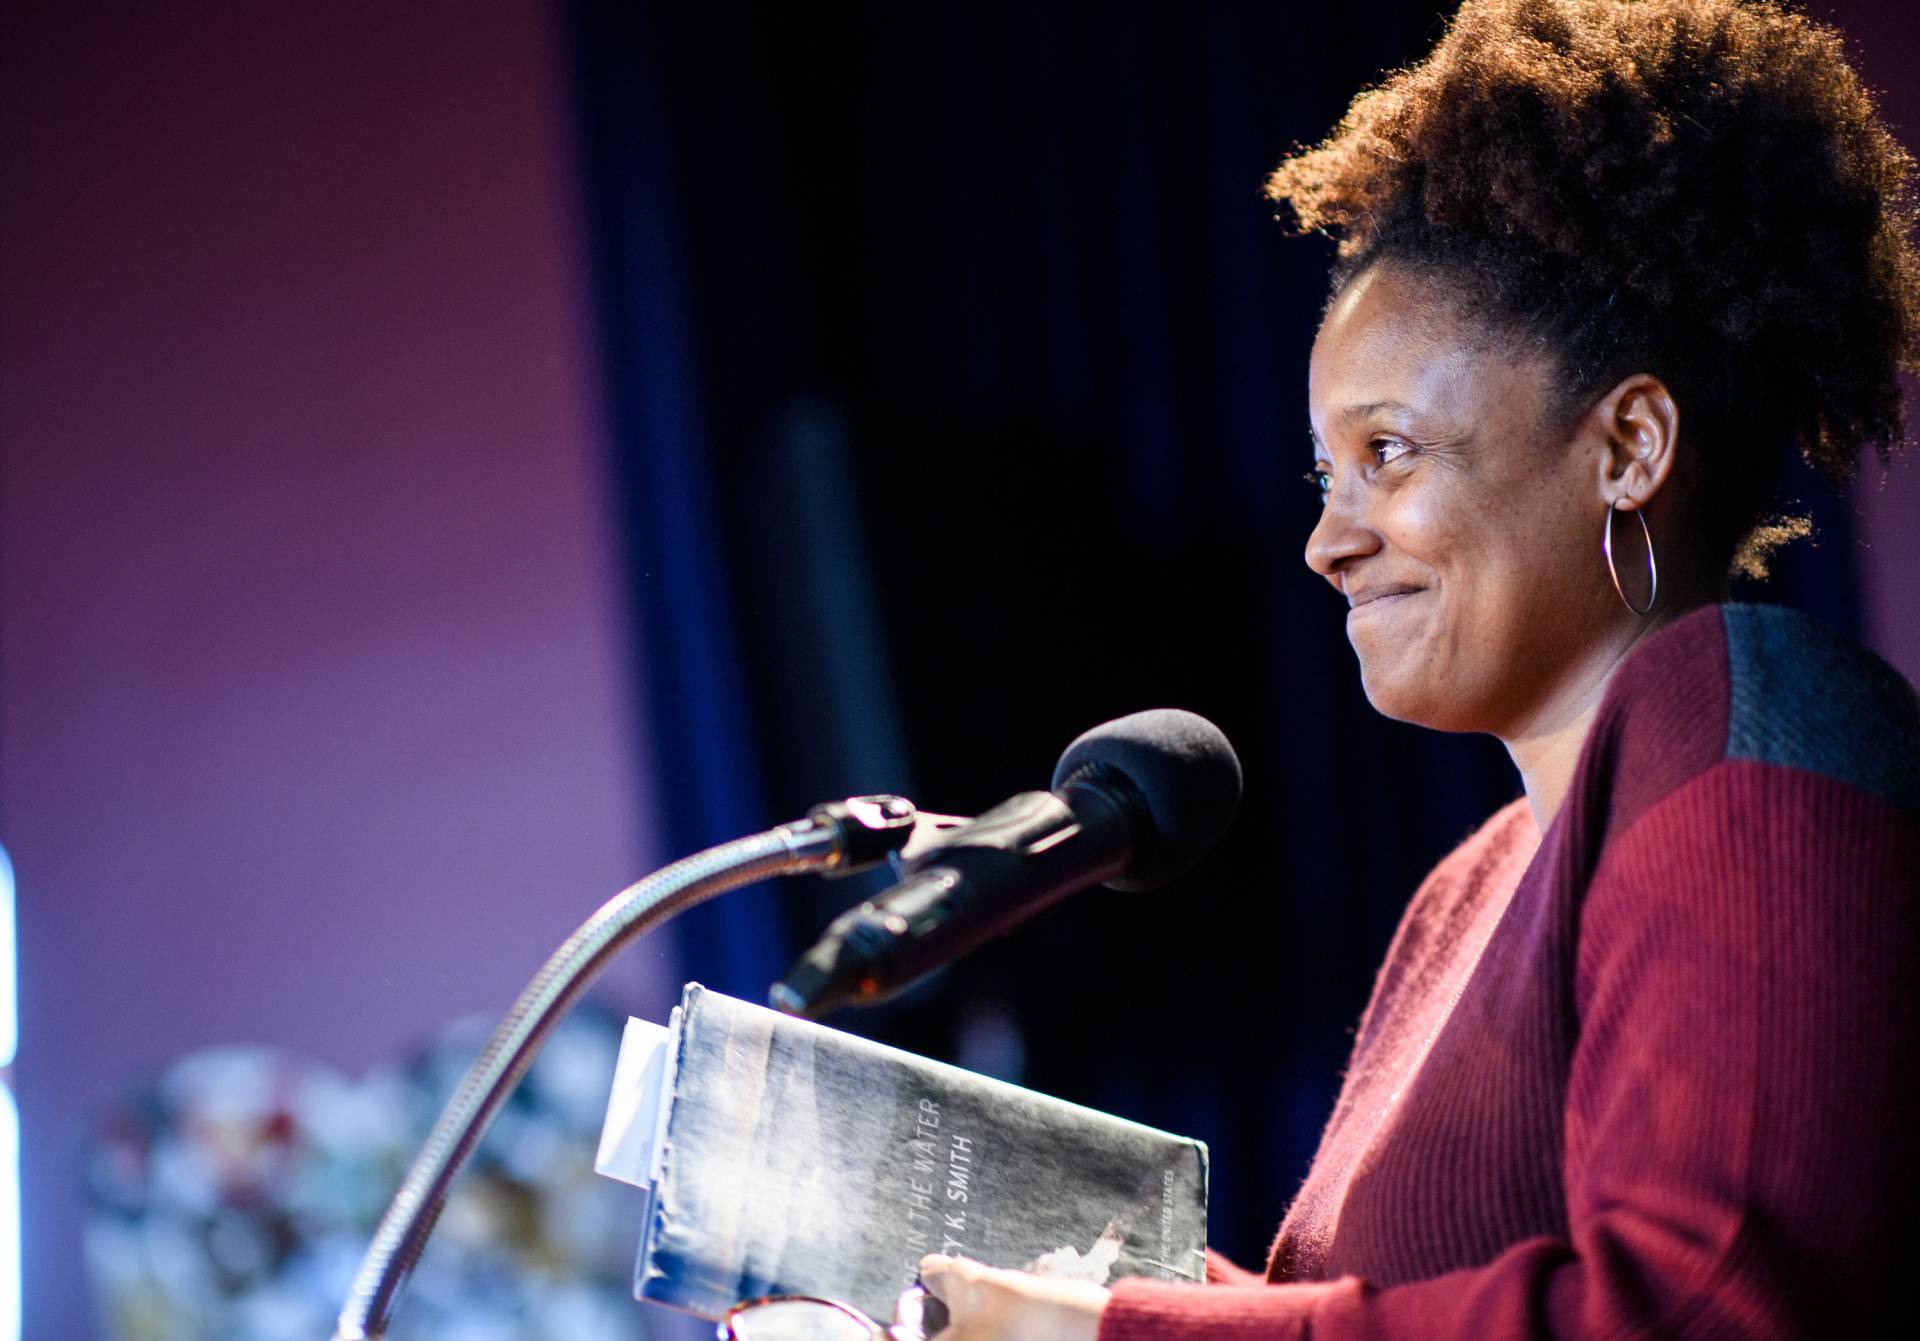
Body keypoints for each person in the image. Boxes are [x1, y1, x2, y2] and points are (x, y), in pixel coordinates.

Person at [918, 1, 1920, 1337]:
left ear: (1628, 445)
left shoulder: (1753, 716)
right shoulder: (1469, 890)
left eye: (1389, 453)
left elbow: (1704, 1304)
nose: (1329, 541)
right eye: (1328, 475)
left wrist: (1107, 1335)